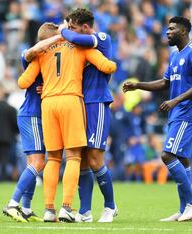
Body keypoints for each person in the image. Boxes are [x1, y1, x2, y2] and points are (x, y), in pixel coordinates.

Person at [18, 22, 116, 222]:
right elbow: (108, 65)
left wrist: (46, 82)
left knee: (53, 158)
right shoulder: (79, 47)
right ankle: (66, 208)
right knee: (73, 157)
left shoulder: (41, 52)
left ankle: (48, 210)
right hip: (71, 101)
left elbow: (23, 82)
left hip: (48, 104)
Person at [122, 16, 192, 222]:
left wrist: (176, 100)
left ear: (184, 31)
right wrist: (138, 85)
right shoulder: (174, 55)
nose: (167, 32)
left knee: (167, 155)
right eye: (167, 29)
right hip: (177, 113)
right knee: (182, 158)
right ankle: (183, 209)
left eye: (172, 29)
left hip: (188, 112)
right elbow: (164, 82)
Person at [60, 8, 117, 222]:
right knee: (81, 158)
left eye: (73, 26)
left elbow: (72, 36)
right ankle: (84, 211)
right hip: (78, 104)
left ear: (85, 27)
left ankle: (110, 207)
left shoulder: (101, 38)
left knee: (94, 159)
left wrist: (62, 31)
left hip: (97, 103)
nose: (70, 31)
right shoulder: (77, 48)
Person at [3, 33, 63, 222]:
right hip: (32, 115)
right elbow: (32, 52)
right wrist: (60, 36)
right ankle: (12, 204)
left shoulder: (52, 61)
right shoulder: (32, 55)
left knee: (34, 164)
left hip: (42, 116)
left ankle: (26, 208)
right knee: (38, 163)